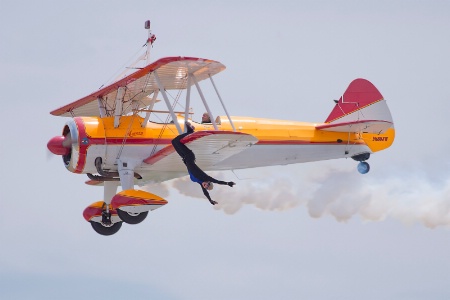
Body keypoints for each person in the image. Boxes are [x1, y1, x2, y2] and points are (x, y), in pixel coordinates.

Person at [172, 122, 235, 205]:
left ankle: (190, 131)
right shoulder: (205, 177)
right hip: (189, 156)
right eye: (207, 185)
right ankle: (191, 131)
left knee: (173, 142)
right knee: (176, 141)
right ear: (208, 182)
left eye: (205, 187)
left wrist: (210, 200)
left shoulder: (200, 182)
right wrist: (227, 183)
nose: (204, 186)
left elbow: (205, 193)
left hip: (184, 158)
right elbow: (217, 181)